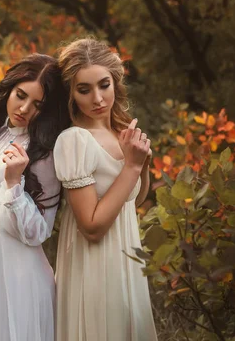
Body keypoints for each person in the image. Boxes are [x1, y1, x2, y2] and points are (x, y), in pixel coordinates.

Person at [0, 53, 70, 341]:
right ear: (8, 88)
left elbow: (37, 233)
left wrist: (13, 182)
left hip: (21, 277)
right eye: (20, 95)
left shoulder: (43, 153)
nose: (24, 108)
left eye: (37, 105)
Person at [53, 38, 158, 340]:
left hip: (126, 257)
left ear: (115, 82)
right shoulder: (74, 140)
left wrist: (143, 163)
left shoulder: (119, 130)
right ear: (70, 93)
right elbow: (92, 227)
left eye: (104, 85)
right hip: (94, 266)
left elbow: (132, 200)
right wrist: (132, 167)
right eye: (84, 89)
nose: (97, 98)